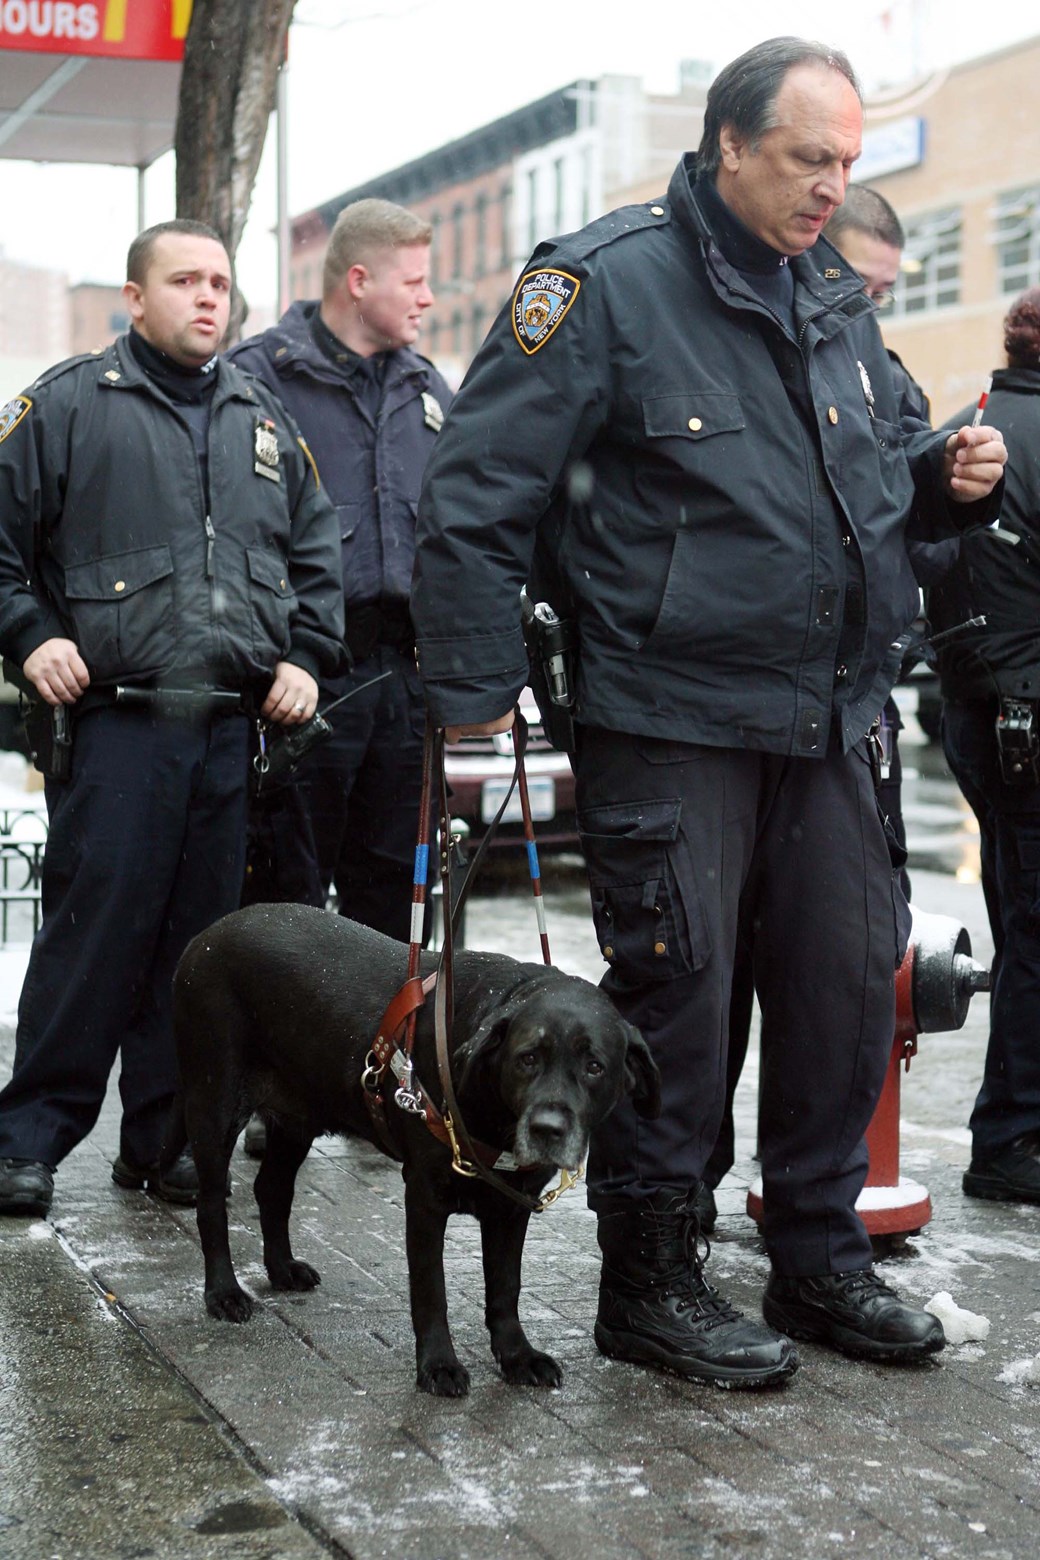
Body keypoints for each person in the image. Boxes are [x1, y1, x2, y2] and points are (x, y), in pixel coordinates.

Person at [411, 37, 1006, 1388]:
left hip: (831, 718)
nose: (830, 189)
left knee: (845, 994)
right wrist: (465, 697)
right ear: (729, 143)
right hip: (670, 718)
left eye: (848, 163)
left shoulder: (830, 292)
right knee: (674, 1013)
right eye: (810, 161)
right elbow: (474, 496)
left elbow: (834, 495)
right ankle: (650, 1282)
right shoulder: (602, 285)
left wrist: (934, 478)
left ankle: (817, 1260)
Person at [0, 220, 345, 1219]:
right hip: (117, 726)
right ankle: (26, 1141)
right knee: (92, 940)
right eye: (184, 280)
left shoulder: (262, 421)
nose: (208, 298)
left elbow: (318, 559)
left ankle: (164, 1141)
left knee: (200, 954)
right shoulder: (67, 407)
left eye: (220, 282)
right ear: (134, 297)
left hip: (229, 733)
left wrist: (306, 660)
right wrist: (29, 636)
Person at [697, 183, 939, 1227]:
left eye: (883, 289)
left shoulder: (874, 367)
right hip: (718, 712)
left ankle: (811, 1221)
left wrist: (948, 482)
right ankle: (677, 1214)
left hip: (847, 712)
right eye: (860, 281)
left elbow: (898, 517)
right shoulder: (726, 342)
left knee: (836, 972)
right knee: (700, 986)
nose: (868, 302)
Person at [230, 199, 451, 931]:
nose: (428, 298)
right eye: (414, 282)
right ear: (358, 280)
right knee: (286, 903)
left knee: (392, 909)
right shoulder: (257, 381)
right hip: (301, 685)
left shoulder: (428, 390)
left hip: (406, 684)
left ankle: (376, 1051)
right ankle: (282, 1053)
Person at [931, 287, 1040, 1207]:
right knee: (1036, 933)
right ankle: (1011, 1139)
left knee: (1024, 924)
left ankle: (1013, 1129)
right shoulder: (1018, 432)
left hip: (987, 715)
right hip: (1022, 714)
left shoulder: (982, 424)